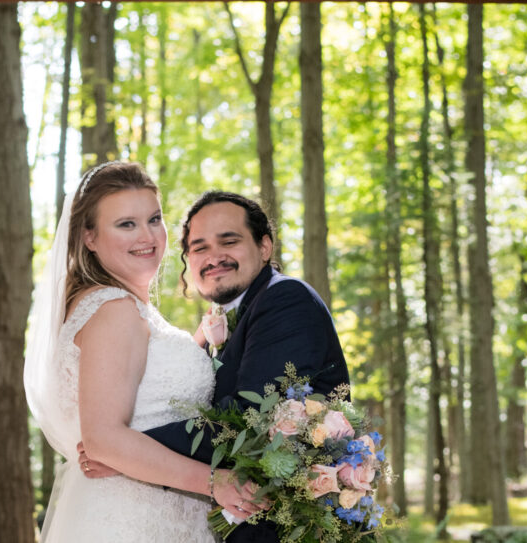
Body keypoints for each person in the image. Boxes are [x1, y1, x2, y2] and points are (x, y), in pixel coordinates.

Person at [81, 191, 351, 542]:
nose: (214, 257)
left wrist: (127, 450)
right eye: (200, 247)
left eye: (229, 241)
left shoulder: (286, 300)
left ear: (265, 246)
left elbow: (249, 418)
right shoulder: (217, 323)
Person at [24, 165, 263, 542]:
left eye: (154, 219)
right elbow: (104, 440)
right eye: (126, 224)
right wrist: (216, 482)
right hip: (133, 520)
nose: (148, 236)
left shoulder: (124, 308)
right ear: (89, 237)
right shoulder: (113, 308)